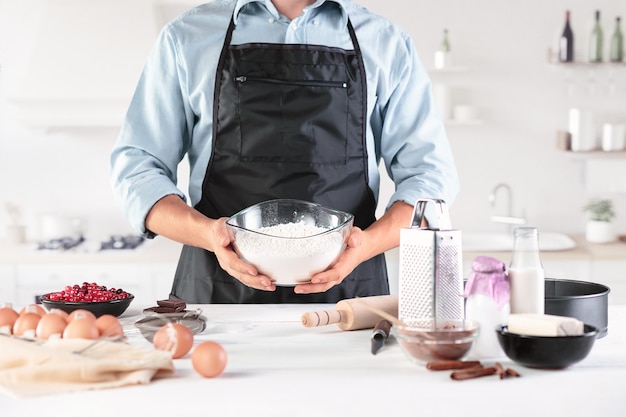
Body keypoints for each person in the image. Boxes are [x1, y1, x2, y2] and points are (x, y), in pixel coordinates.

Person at [109, 0, 459, 304]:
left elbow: (431, 178)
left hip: (348, 304)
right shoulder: (186, 37)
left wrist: (365, 246)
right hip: (216, 301)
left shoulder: (387, 43)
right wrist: (208, 235)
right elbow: (138, 169)